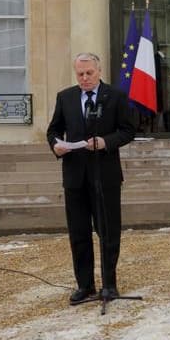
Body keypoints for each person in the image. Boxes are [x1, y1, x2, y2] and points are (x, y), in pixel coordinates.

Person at [46, 52, 136, 303]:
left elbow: (128, 130)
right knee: (79, 233)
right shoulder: (65, 97)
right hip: (75, 177)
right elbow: (53, 130)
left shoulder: (115, 96)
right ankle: (85, 285)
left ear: (99, 71)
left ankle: (109, 285)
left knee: (108, 231)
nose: (84, 78)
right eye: (80, 74)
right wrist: (55, 145)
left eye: (89, 73)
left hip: (105, 176)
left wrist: (106, 142)